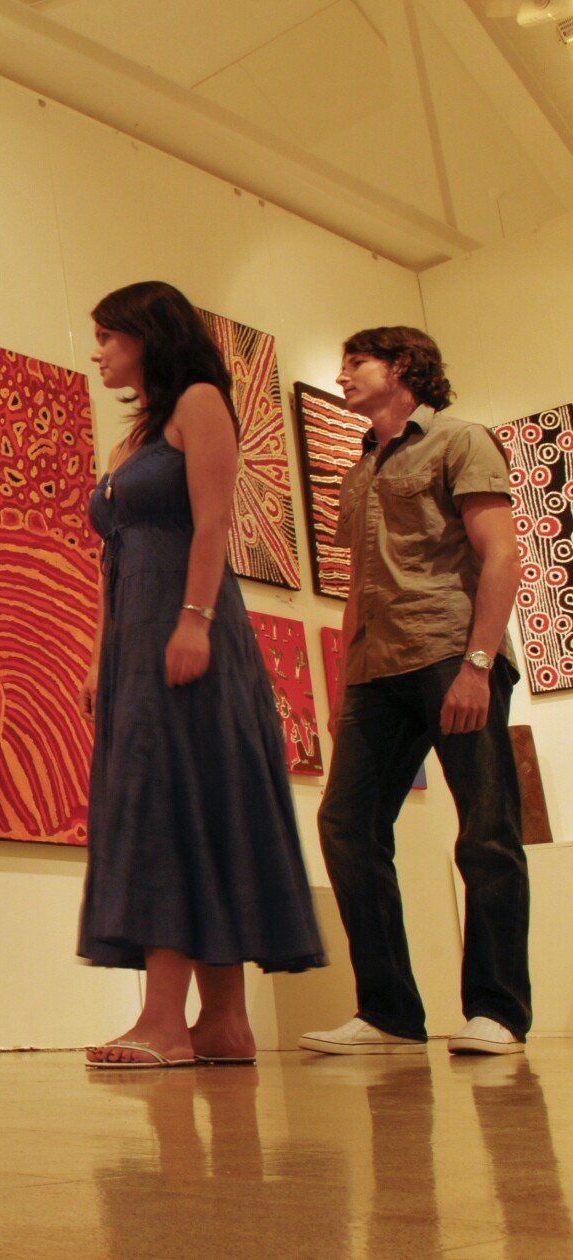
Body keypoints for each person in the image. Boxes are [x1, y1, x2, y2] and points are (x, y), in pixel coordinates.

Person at [79, 281, 325, 1069]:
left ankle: (165, 1020)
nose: (99, 354)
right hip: (135, 640)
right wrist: (99, 656)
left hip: (188, 630)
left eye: (110, 337)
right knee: (177, 798)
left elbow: (215, 518)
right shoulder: (129, 445)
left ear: (149, 334)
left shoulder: (200, 403)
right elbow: (113, 561)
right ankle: (223, 1024)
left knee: (176, 801)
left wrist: (195, 621)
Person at [301, 327, 529, 1057]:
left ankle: (497, 1011)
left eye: (355, 362)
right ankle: (390, 1013)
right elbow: (358, 587)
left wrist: (477, 663)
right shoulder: (359, 471)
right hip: (378, 671)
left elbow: (501, 554)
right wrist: (343, 686)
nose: (342, 376)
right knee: (346, 826)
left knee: (486, 832)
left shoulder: (460, 441)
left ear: (403, 368)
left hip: (451, 655)